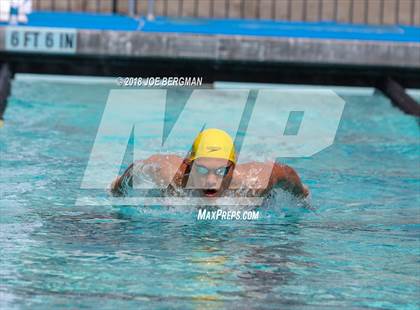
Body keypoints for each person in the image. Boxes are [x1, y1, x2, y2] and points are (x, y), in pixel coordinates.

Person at [111, 128, 309, 199]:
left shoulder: (254, 183)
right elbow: (134, 171)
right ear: (189, 164)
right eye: (202, 169)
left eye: (221, 171)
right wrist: (117, 188)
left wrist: (303, 197)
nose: (211, 180)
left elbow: (287, 174)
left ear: (234, 168)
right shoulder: (168, 174)